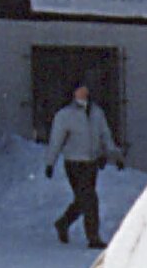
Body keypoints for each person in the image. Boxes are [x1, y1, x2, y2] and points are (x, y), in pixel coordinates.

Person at [45, 83, 123, 248]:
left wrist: (115, 155)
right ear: (73, 93)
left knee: (83, 199)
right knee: (89, 198)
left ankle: (63, 223)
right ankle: (93, 237)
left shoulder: (96, 112)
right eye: (80, 91)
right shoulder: (65, 115)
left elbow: (105, 136)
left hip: (91, 162)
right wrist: (50, 163)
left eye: (86, 91)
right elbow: (56, 141)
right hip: (74, 162)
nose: (84, 94)